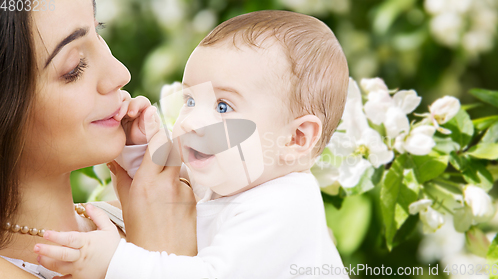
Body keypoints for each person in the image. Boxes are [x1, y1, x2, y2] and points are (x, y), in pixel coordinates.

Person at [34, 10, 351, 279]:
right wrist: (140, 151)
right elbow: (173, 190)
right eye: (189, 99)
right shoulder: (237, 179)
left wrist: (115, 262)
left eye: (223, 107)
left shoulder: (285, 209)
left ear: (296, 139)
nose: (189, 123)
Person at [0, 1, 197, 278]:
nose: (120, 73)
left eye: (98, 32)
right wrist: (158, 261)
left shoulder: (151, 213)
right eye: (74, 67)